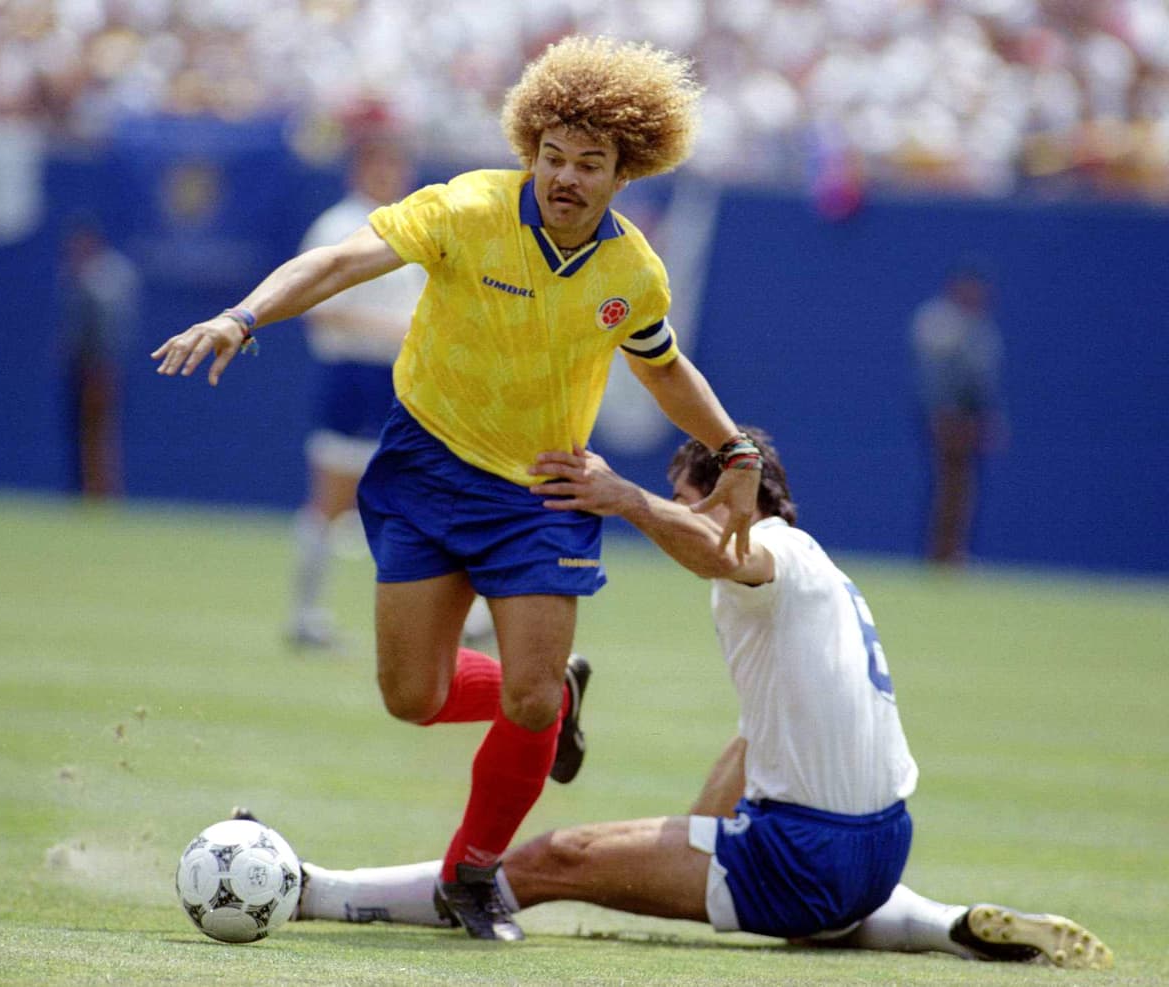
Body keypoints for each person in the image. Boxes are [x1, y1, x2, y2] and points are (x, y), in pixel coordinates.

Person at [151, 35, 762, 940]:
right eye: (552, 156)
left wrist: (734, 449)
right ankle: (558, 694)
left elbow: (665, 369)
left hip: (541, 494)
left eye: (589, 163)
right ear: (531, 151)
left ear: (621, 174)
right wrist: (246, 315)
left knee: (525, 698)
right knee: (413, 695)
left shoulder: (631, 271)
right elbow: (341, 261)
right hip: (425, 471)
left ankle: (473, 873)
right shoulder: (466, 207)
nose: (565, 176)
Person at [271, 428, 1112, 969]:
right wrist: (687, 843)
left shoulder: (766, 551)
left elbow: (719, 551)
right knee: (788, 901)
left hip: (806, 853)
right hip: (881, 847)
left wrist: (624, 498)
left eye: (684, 496)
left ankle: (315, 888)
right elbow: (754, 741)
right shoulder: (823, 574)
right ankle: (947, 923)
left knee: (547, 861)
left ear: (730, 498)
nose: (676, 515)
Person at [285, 135, 492, 650]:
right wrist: (393, 331)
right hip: (357, 375)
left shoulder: (416, 224)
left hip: (411, 378)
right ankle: (306, 614)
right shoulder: (339, 226)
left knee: (437, 493)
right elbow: (318, 305)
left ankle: (457, 616)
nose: (393, 174)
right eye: (383, 163)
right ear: (361, 167)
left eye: (399, 164)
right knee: (333, 498)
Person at [910, 259, 1007, 565]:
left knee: (962, 489)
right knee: (950, 487)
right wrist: (943, 415)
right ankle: (942, 552)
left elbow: (982, 381)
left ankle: (951, 551)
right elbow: (942, 379)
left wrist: (986, 418)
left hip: (968, 417)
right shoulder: (942, 322)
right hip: (950, 417)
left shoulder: (978, 325)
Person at [59, 215, 140, 498]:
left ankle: (100, 492)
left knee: (99, 431)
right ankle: (91, 490)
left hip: (98, 366)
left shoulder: (102, 277)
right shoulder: (91, 273)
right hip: (87, 366)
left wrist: (101, 362)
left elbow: (106, 328)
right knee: (87, 432)